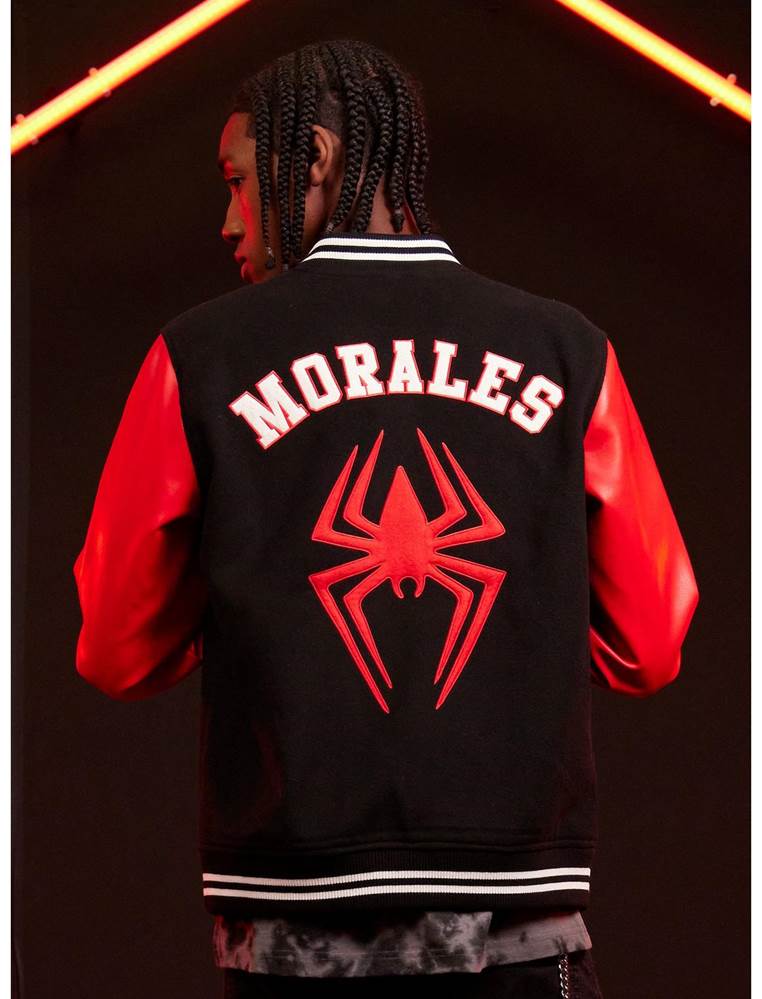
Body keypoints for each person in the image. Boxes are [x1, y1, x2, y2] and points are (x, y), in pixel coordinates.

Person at [72, 38, 699, 998]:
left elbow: (116, 647)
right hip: (519, 923)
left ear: (316, 157)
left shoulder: (197, 356)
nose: (229, 220)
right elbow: (651, 643)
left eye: (238, 183)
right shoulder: (570, 351)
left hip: (293, 929)